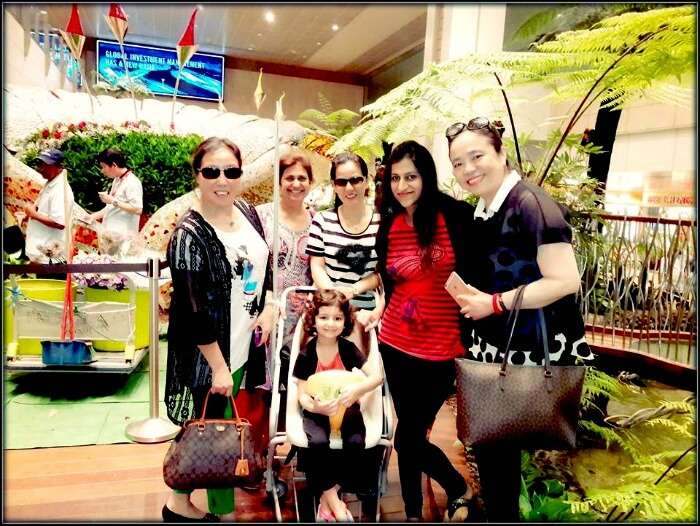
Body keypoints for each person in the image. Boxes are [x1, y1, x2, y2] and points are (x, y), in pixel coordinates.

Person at [446, 117, 595, 521]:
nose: (467, 170)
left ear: (501, 153)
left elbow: (565, 281)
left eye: (476, 156)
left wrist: (494, 304)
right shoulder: (487, 205)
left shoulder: (532, 205)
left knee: (498, 455)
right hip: (499, 347)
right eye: (457, 163)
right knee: (495, 458)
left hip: (525, 350)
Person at [163, 137, 278, 522]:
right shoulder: (188, 236)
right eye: (211, 171)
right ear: (197, 175)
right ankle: (223, 515)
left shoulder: (246, 210)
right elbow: (193, 311)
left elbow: (264, 266)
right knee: (218, 436)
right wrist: (218, 367)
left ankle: (177, 504)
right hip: (209, 354)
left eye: (231, 170)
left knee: (209, 425)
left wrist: (270, 305)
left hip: (245, 342)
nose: (222, 179)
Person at [374, 140, 476, 522]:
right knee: (411, 432)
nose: (402, 186)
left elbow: (477, 274)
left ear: (427, 177)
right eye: (395, 178)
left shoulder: (456, 216)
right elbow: (391, 284)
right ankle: (415, 512)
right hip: (395, 343)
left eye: (411, 177)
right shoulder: (390, 224)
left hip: (442, 349)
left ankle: (457, 488)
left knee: (409, 438)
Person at [292, 289, 383, 522]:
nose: (330, 324)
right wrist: (316, 408)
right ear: (314, 320)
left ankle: (326, 498)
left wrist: (357, 390)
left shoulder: (348, 349)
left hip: (347, 408)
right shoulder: (306, 353)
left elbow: (377, 378)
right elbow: (301, 395)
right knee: (318, 442)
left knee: (356, 442)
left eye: (337, 318)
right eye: (324, 317)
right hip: (318, 410)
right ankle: (335, 501)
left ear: (345, 321)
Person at [256, 150, 315, 387]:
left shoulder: (316, 219)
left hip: (301, 312)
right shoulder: (262, 216)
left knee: (294, 376)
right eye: (289, 178)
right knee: (264, 372)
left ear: (310, 183)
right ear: (279, 181)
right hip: (267, 307)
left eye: (302, 178)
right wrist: (268, 301)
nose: (296, 184)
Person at [306, 152, 383, 330]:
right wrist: (335, 296)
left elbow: (383, 272)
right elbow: (317, 266)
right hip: (329, 312)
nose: (349, 188)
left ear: (366, 180)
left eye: (355, 180)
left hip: (368, 313)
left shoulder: (382, 222)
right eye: (342, 182)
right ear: (334, 186)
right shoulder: (322, 220)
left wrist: (355, 289)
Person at [24, 149, 74, 272]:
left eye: (46, 165)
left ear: (58, 167)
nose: (40, 168)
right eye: (40, 164)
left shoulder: (60, 190)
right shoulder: (51, 183)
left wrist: (33, 214)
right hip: (43, 252)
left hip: (51, 257)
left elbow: (59, 223)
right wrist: (32, 212)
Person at [87, 147, 143, 252]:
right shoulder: (117, 180)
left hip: (123, 240)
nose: (102, 171)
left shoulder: (132, 182)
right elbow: (111, 207)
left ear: (114, 165)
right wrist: (92, 216)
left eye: (103, 167)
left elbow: (138, 209)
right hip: (111, 237)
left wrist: (113, 201)